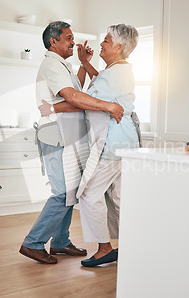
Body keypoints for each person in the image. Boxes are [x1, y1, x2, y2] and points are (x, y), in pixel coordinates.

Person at [19, 21, 125, 265]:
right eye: (68, 38)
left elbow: (74, 91)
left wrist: (82, 65)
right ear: (53, 41)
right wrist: (108, 105)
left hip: (68, 135)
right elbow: (74, 97)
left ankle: (60, 242)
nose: (73, 42)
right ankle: (32, 243)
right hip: (57, 135)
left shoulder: (61, 65)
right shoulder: (52, 65)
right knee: (63, 192)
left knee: (72, 191)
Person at [40, 24, 141, 267]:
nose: (102, 43)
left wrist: (51, 107)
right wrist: (85, 63)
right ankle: (135, 244)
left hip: (110, 142)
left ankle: (104, 249)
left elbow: (81, 99)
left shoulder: (113, 74)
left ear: (118, 46)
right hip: (125, 143)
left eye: (106, 40)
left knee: (87, 194)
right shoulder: (119, 70)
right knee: (117, 198)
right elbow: (100, 84)